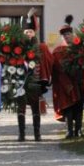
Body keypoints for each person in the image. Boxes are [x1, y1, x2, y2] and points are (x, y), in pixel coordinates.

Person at [20, 10, 53, 141]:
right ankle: (21, 134)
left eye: (31, 32)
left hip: (35, 81)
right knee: (20, 108)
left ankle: (37, 133)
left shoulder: (41, 47)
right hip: (21, 82)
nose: (28, 34)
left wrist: (45, 79)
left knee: (35, 108)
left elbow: (49, 61)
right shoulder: (18, 47)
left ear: (35, 32)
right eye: (26, 32)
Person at [52, 16, 82, 139]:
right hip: (64, 83)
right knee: (68, 107)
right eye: (64, 35)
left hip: (78, 81)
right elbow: (56, 68)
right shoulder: (58, 51)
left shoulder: (79, 48)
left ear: (72, 35)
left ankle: (79, 129)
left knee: (79, 105)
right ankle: (69, 130)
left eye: (68, 34)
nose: (66, 36)